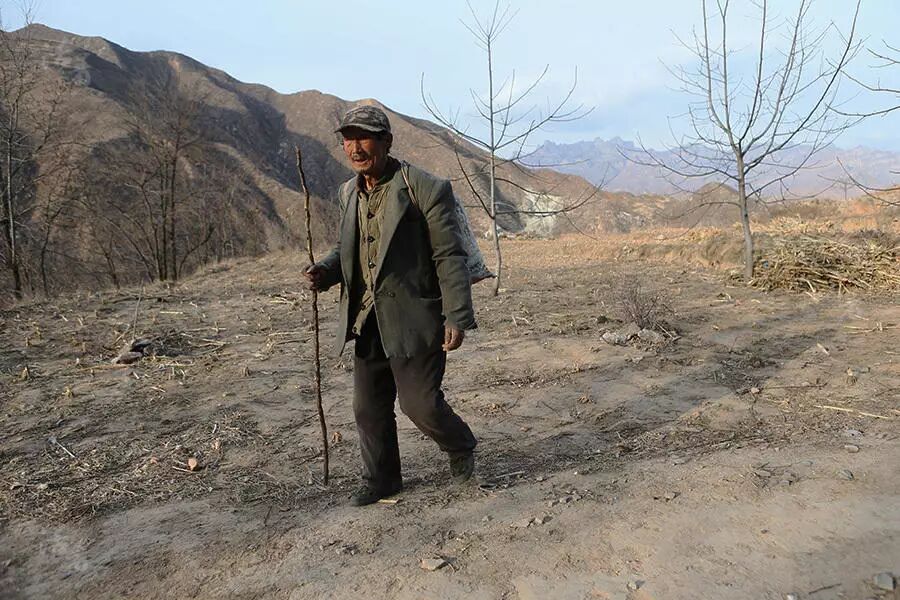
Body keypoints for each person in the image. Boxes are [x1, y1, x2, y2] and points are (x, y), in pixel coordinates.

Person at [304, 104, 478, 507]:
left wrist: (456, 315)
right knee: (367, 408)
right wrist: (325, 271)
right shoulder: (349, 193)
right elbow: (346, 247)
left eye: (364, 138)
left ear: (386, 142)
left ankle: (461, 446)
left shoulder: (425, 188)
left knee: (420, 405)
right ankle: (382, 480)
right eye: (348, 139)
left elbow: (449, 255)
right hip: (367, 319)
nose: (355, 148)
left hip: (415, 316)